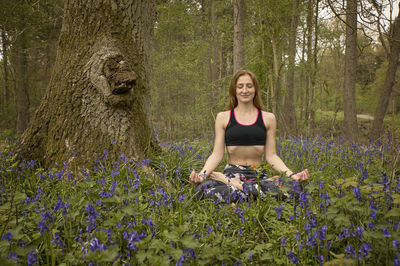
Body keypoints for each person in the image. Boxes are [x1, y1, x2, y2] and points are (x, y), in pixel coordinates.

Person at [189, 70, 309, 201]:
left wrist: (292, 175)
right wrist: (202, 175)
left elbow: (272, 156)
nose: (245, 90)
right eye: (240, 86)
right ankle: (255, 193)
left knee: (296, 188)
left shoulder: (268, 118)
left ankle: (239, 187)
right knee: (202, 189)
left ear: (255, 89)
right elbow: (217, 154)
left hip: (258, 176)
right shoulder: (223, 117)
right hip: (231, 174)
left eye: (249, 86)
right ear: (234, 90)